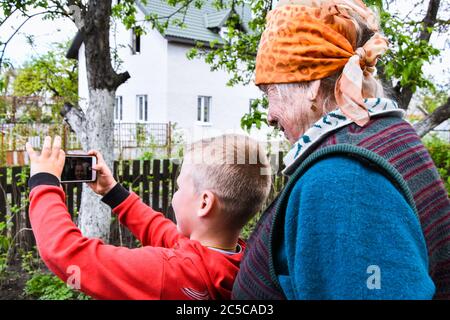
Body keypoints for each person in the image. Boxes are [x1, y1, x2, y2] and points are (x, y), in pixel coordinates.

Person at [232, 0, 450, 300]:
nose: (269, 113)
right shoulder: (384, 135)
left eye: (270, 91)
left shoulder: (343, 179)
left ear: (310, 82)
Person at [25, 134, 271, 300]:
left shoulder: (167, 273)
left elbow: (68, 254)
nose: (175, 196)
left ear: (204, 203)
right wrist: (113, 193)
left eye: (178, 188)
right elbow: (162, 232)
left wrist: (43, 182)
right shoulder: (241, 259)